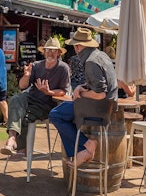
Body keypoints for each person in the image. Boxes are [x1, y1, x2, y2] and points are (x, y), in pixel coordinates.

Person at [49, 27, 117, 167]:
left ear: (78, 46)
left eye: (74, 45)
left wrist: (80, 94)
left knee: (55, 115)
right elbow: (99, 84)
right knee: (62, 112)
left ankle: (87, 146)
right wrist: (82, 87)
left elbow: (100, 93)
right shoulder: (101, 55)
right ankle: (82, 150)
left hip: (98, 108)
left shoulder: (91, 61)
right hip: (106, 106)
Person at [0, 37, 71, 156]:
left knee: (25, 117)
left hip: (47, 103)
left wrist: (49, 92)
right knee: (15, 99)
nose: (50, 53)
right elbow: (22, 86)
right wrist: (27, 75)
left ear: (59, 53)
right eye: (48, 50)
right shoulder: (37, 65)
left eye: (54, 51)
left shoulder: (63, 68)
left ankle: (22, 149)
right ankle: (12, 139)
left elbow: (64, 91)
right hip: (31, 98)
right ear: (44, 52)